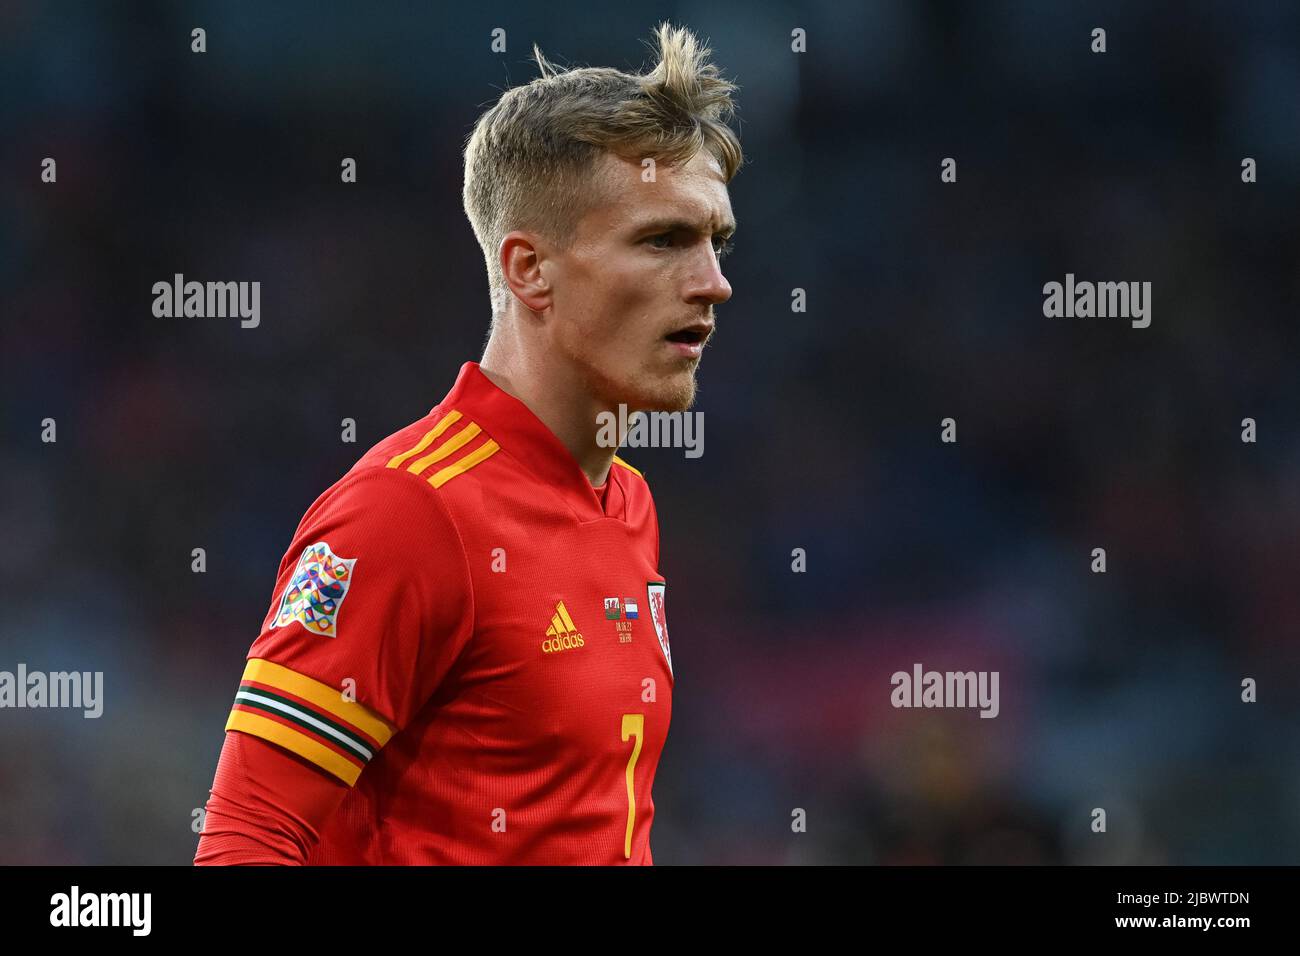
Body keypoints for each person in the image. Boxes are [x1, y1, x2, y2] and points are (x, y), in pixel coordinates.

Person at [194, 21, 741, 865]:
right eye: (664, 239)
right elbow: (247, 837)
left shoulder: (626, 499)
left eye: (716, 242)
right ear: (529, 269)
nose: (713, 281)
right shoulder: (409, 511)